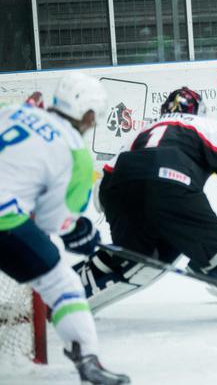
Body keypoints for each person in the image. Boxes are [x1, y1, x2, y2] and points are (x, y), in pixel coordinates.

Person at [74, 87, 217, 319]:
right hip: (171, 183)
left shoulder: (141, 133)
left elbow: (103, 185)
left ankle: (66, 292)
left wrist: (124, 220)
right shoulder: (205, 125)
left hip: (118, 193)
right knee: (216, 241)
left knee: (133, 255)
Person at [0, 73, 130, 385]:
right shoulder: (75, 152)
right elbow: (52, 222)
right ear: (86, 114)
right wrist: (81, 232)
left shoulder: (13, 110)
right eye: (94, 117)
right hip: (4, 221)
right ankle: (88, 361)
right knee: (63, 284)